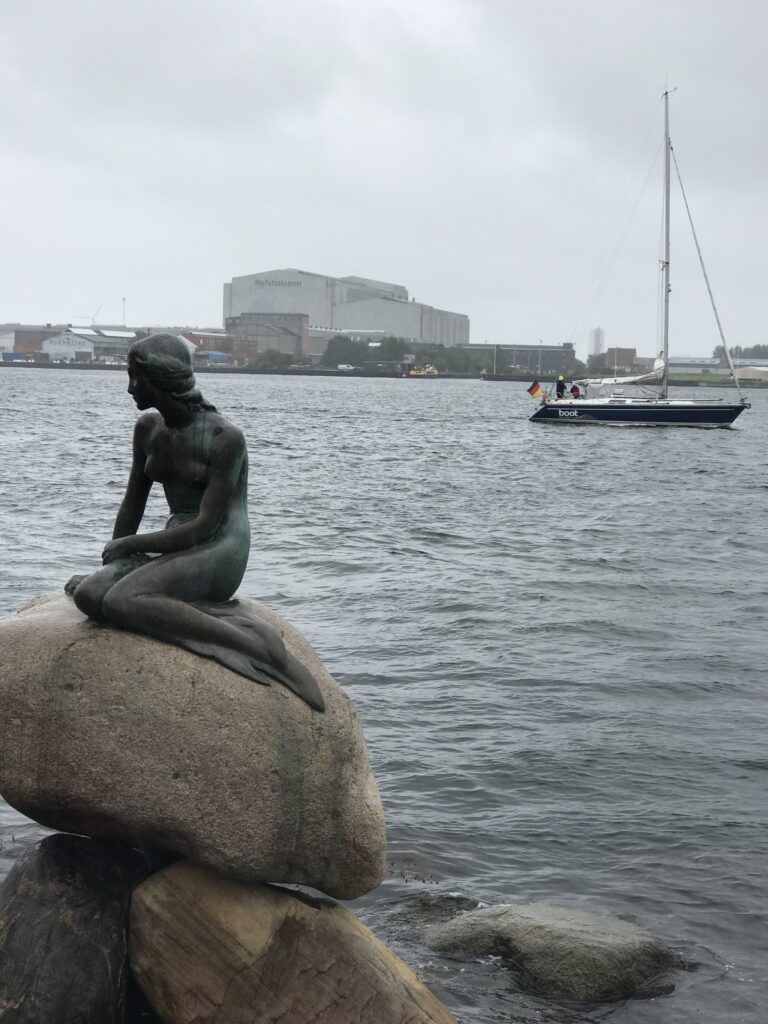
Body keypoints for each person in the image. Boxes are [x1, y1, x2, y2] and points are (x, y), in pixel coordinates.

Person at [66, 333, 324, 711]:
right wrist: (114, 560)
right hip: (177, 539)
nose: (130, 388)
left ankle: (258, 646)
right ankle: (185, 608)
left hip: (219, 546)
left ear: (162, 378)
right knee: (90, 594)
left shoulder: (224, 437)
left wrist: (133, 546)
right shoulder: (149, 429)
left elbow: (205, 525)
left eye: (136, 378)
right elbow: (132, 503)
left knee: (123, 599)